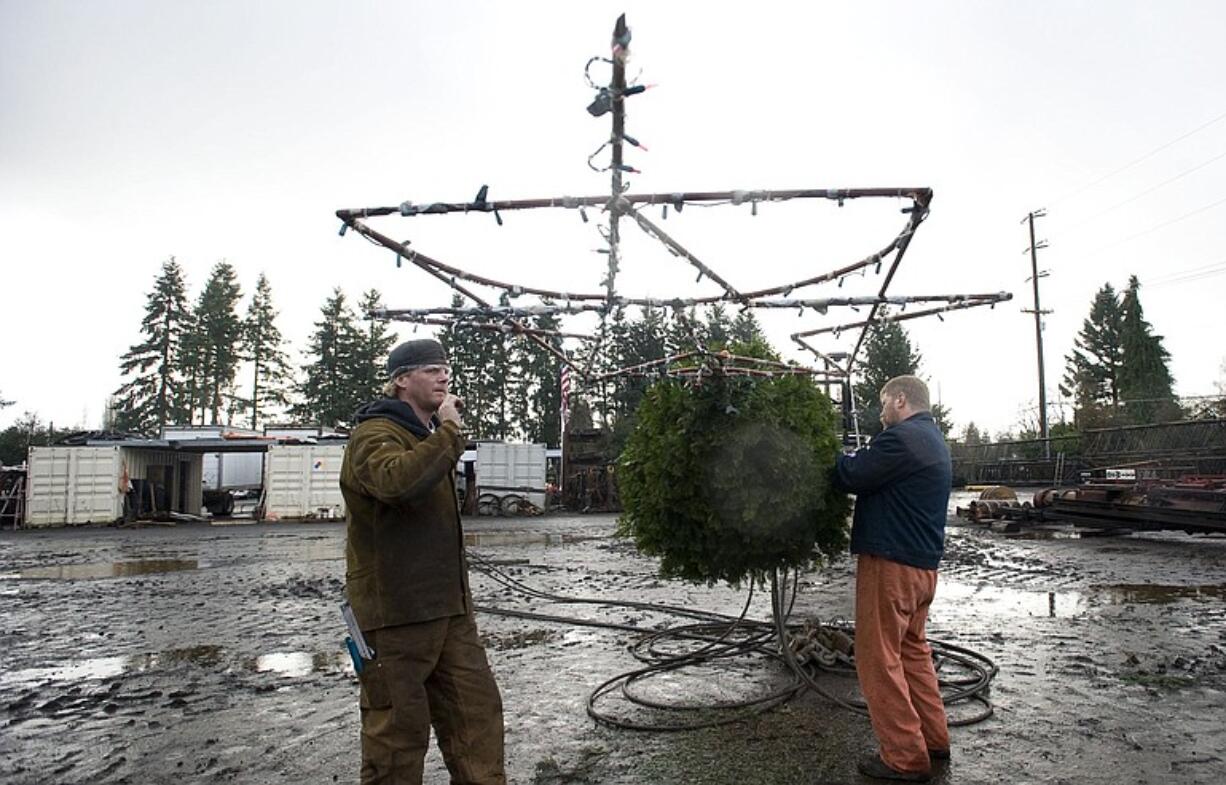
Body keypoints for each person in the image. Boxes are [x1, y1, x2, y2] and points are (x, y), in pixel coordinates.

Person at [340, 338, 506, 785]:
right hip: (395, 617)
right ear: (400, 381)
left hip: (449, 611)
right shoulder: (373, 435)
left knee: (476, 718)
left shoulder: (426, 437)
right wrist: (451, 432)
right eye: (431, 369)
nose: (443, 376)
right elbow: (396, 482)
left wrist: (441, 434)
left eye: (446, 368)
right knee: (397, 736)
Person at [832, 375, 951, 783]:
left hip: (892, 565)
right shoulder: (933, 440)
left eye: (884, 402)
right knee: (913, 652)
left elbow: (850, 475)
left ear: (901, 399)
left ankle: (903, 758)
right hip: (923, 567)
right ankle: (934, 739)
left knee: (877, 658)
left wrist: (830, 456)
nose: (881, 411)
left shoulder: (900, 439)